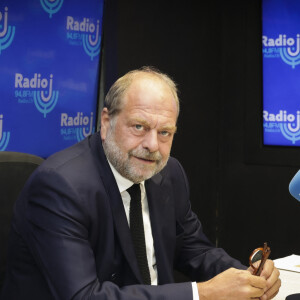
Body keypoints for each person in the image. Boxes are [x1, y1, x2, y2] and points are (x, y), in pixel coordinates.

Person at [1, 67, 280, 300]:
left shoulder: (168, 172)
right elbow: (84, 296)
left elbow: (194, 249)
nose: (152, 146)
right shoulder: (61, 186)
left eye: (165, 132)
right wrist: (202, 293)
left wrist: (247, 276)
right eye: (139, 127)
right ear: (107, 122)